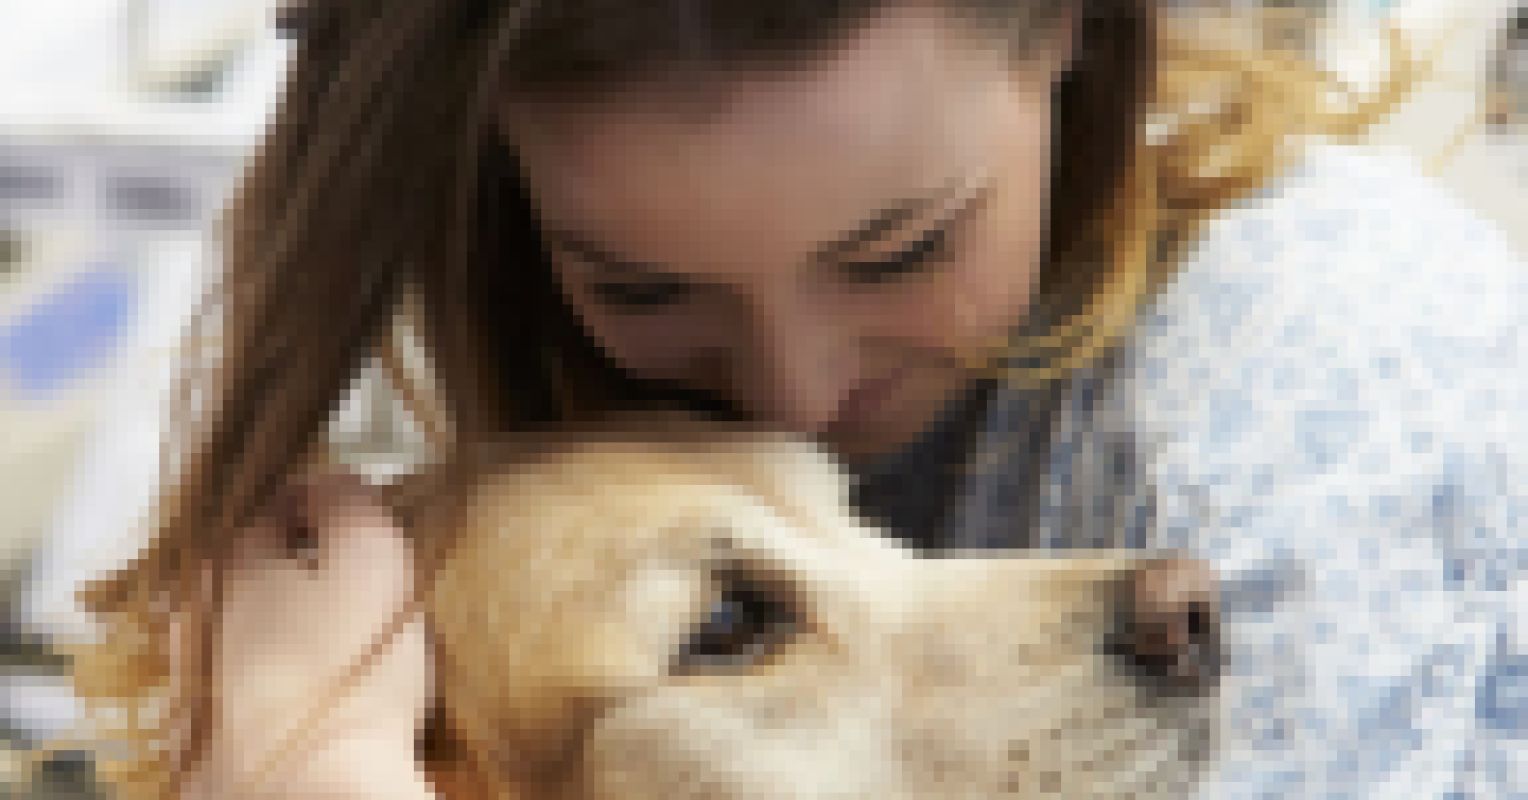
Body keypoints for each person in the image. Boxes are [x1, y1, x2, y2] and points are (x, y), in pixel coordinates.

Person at [66, 1, 1525, 799]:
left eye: (902, 250)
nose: (790, 388)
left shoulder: (1324, 374)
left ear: (1068, 28)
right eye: (644, 289)